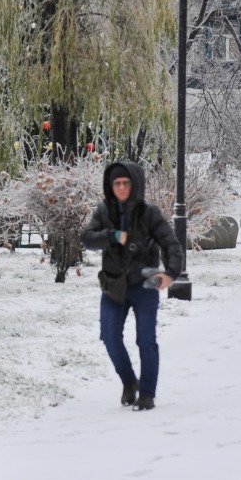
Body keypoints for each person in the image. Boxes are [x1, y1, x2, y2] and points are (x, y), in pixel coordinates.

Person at [80, 160, 184, 411]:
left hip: (145, 286)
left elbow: (171, 245)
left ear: (135, 184)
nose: (122, 187)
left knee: (146, 340)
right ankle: (129, 382)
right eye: (117, 183)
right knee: (109, 337)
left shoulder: (150, 213)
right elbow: (87, 238)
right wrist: (112, 236)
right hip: (114, 286)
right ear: (110, 185)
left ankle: (147, 393)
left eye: (126, 183)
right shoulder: (104, 211)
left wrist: (171, 274)